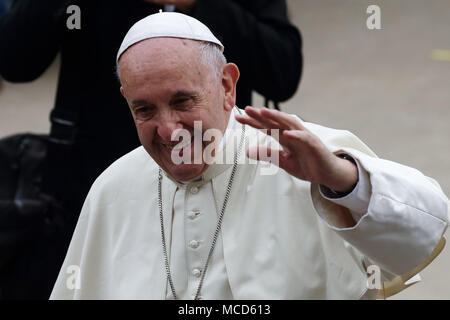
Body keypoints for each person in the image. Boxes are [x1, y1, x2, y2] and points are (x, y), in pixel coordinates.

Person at [50, 12, 449, 300]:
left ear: (227, 85)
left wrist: (342, 181)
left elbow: (427, 229)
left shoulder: (302, 155)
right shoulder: (113, 188)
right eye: (145, 110)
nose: (169, 130)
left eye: (183, 101)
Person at [0, 0, 301, 299]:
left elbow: (282, 70)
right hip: (91, 178)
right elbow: (15, 60)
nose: (167, 127)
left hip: (221, 179)